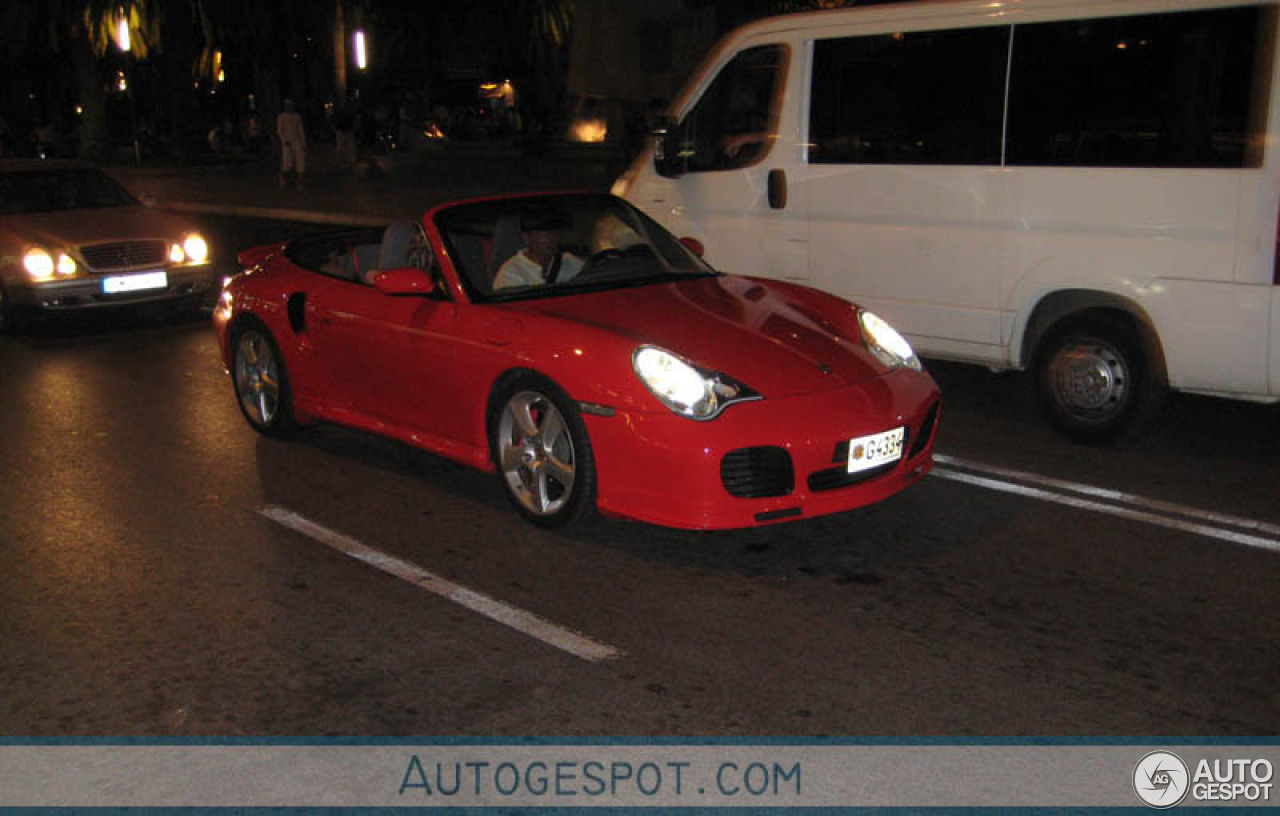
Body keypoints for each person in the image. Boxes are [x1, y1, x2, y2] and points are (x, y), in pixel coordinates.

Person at [494, 205, 584, 289]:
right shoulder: (511, 273)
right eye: (544, 235)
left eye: (555, 233)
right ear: (527, 237)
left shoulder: (573, 264)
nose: (551, 239)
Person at [276, 98, 307, 189]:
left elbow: (300, 131)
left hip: (297, 142)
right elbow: (279, 131)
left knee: (300, 162)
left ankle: (300, 182)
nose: (289, 107)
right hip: (287, 143)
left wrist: (304, 143)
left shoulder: (297, 117)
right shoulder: (281, 117)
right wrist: (284, 140)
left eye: (291, 105)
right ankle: (283, 177)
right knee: (287, 164)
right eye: (287, 106)